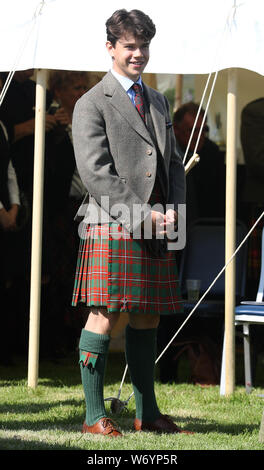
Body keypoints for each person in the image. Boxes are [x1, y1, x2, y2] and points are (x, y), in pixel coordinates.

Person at [71, 9, 192, 437]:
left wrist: (174, 208)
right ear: (110, 48)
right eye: (130, 46)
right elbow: (95, 174)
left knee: (148, 317)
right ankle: (92, 416)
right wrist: (146, 216)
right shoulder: (90, 103)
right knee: (103, 315)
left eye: (143, 46)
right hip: (113, 221)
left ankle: (147, 414)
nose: (138, 54)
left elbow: (174, 164)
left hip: (158, 221)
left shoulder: (157, 99)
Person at [173, 102, 225, 225]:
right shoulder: (167, 152)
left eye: (203, 130)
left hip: (205, 224)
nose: (199, 136)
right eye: (192, 130)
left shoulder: (212, 152)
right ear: (176, 129)